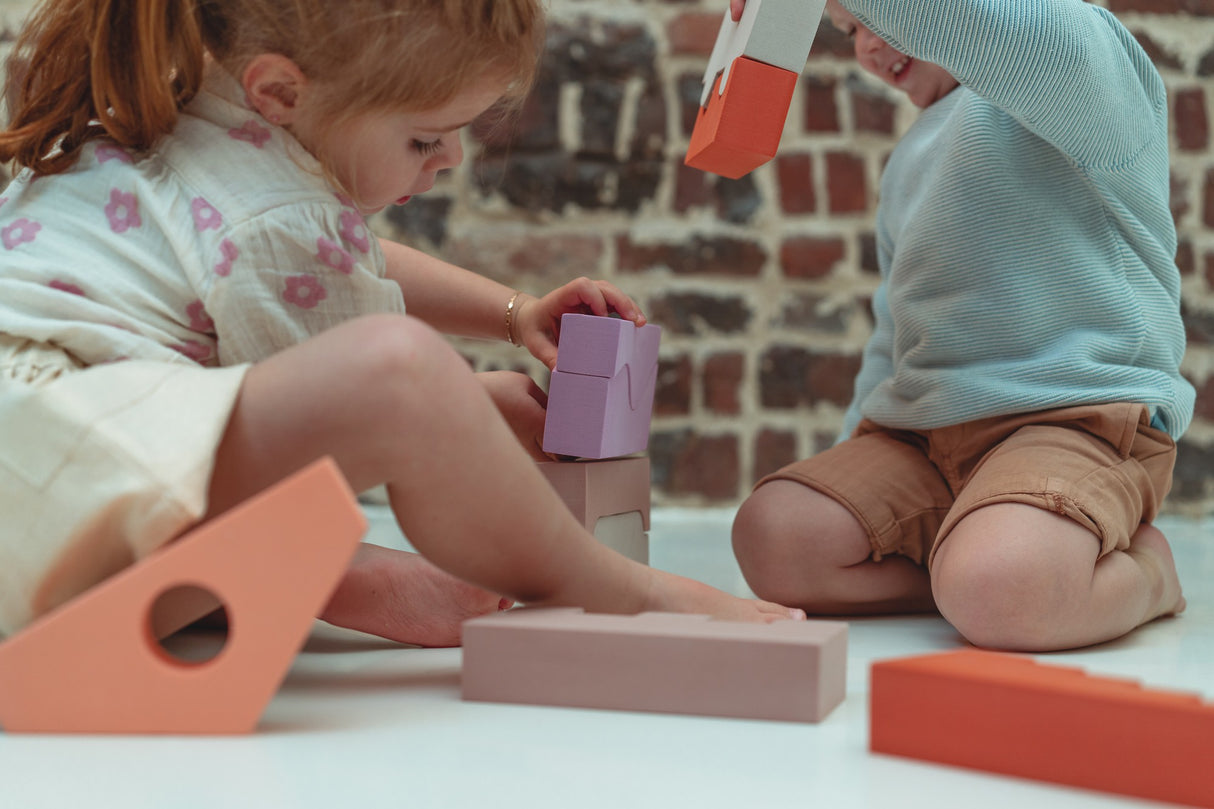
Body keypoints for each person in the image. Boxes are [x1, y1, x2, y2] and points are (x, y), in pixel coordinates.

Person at [0, 0, 805, 646]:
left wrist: (512, 314)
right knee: (403, 371)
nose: (450, 158)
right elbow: (365, 400)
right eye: (424, 136)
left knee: (405, 382)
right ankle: (620, 590)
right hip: (46, 484)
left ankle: (360, 581)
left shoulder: (195, 113)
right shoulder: (282, 218)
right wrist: (457, 414)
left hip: (44, 474)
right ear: (281, 91)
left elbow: (348, 268)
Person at [729, 0, 1194, 651]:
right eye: (848, 30)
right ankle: (981, 569)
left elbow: (973, 23)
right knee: (774, 535)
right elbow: (895, 334)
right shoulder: (908, 159)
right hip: (922, 437)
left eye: (865, 19)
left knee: (1001, 587)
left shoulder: (1081, 67)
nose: (866, 44)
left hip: (1071, 420)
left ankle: (1141, 574)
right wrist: (843, 469)